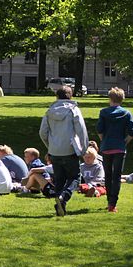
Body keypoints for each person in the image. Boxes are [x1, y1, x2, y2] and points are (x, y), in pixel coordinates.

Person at [39, 86, 88, 217]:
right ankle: (63, 197)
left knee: (59, 179)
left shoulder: (49, 111)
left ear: (57, 96)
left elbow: (42, 132)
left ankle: (60, 205)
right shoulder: (73, 110)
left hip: (54, 151)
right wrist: (83, 149)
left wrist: (50, 146)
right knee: (75, 177)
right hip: (70, 149)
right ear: (70, 96)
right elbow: (81, 131)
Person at [97, 87, 133, 213]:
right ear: (122, 99)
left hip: (106, 147)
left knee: (108, 175)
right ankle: (113, 204)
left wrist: (104, 141)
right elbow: (132, 132)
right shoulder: (127, 113)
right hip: (119, 148)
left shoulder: (103, 112)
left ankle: (109, 200)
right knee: (116, 176)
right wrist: (124, 142)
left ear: (110, 98)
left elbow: (99, 130)